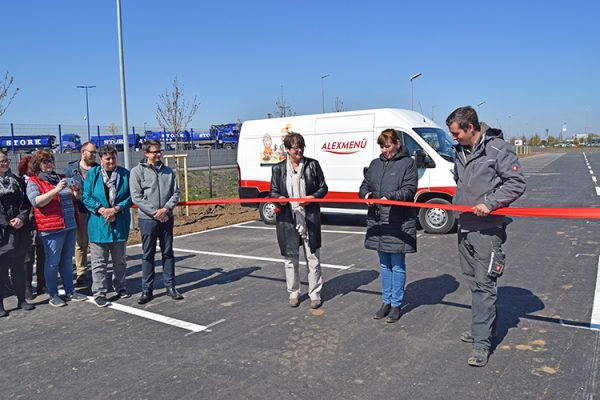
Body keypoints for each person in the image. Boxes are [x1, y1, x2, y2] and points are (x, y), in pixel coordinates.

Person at [446, 106, 526, 367]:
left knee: (484, 285)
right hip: (465, 227)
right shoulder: (460, 150)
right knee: (473, 283)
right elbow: (461, 180)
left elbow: (516, 182)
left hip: (487, 230)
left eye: (456, 133)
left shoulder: (497, 149)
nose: (453, 138)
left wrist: (491, 203)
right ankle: (485, 326)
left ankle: (482, 343)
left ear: (470, 128)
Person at [359, 129, 418, 323]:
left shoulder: (408, 164)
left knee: (397, 265)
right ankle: (386, 301)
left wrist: (390, 197)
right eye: (382, 147)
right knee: (384, 264)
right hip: (378, 221)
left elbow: (409, 190)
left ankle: (396, 304)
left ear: (397, 144)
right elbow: (365, 185)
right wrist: (366, 195)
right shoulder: (375, 164)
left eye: (388, 146)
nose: (385, 150)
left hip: (398, 221)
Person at [269, 132, 328, 309]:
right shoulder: (278, 169)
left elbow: (323, 188)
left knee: (313, 258)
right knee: (290, 258)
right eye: (295, 148)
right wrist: (278, 198)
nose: (299, 151)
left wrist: (311, 198)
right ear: (287, 150)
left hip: (309, 217)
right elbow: (273, 191)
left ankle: (315, 293)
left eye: (301, 147)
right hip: (288, 218)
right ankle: (294, 292)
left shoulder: (313, 165)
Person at [26, 150, 88, 307]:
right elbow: (36, 201)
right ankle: (53, 294)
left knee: (67, 260)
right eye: (45, 162)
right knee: (53, 261)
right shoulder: (34, 182)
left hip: (69, 224)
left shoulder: (60, 178)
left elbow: (76, 198)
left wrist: (76, 190)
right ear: (37, 165)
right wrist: (55, 190)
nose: (49, 164)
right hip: (51, 228)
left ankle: (70, 291)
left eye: (50, 161)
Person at [130, 139, 182, 304]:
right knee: (148, 254)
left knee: (168, 253)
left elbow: (176, 192)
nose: (159, 154)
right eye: (155, 152)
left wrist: (165, 209)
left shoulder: (168, 171)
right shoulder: (137, 172)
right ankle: (147, 290)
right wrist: (155, 213)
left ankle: (170, 286)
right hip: (148, 220)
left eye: (160, 151)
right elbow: (136, 196)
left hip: (166, 218)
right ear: (146, 153)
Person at [82, 145, 132, 307]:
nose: (111, 161)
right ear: (101, 159)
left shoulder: (125, 174)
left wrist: (117, 209)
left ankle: (121, 286)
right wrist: (102, 210)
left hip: (119, 222)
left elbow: (132, 196)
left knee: (120, 261)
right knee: (99, 262)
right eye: (107, 158)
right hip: (99, 223)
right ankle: (100, 292)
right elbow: (86, 196)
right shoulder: (93, 174)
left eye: (113, 158)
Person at [0, 150, 35, 316]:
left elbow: (26, 202)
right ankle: (0, 305)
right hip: (2, 233)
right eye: (1, 161)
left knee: (18, 268)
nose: (5, 163)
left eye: (6, 160)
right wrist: (7, 222)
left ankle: (21, 299)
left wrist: (21, 218)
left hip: (19, 231)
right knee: (1, 270)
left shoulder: (17, 181)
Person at [64, 142, 98, 285]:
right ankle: (81, 272)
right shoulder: (72, 169)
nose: (94, 155)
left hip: (97, 209)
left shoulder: (98, 168)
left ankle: (98, 270)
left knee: (98, 242)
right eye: (91, 152)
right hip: (80, 210)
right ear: (83, 152)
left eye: (95, 153)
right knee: (81, 243)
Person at [18, 156, 46, 299]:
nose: (33, 168)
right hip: (26, 222)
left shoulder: (41, 180)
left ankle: (42, 284)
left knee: (42, 254)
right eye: (30, 165)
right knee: (28, 256)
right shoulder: (20, 182)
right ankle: (27, 286)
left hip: (41, 221)